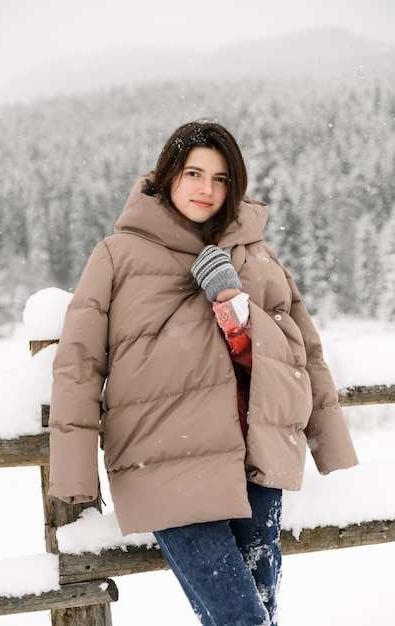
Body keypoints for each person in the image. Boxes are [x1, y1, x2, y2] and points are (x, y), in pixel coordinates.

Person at [49, 120, 359, 625]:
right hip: (165, 462)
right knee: (243, 618)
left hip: (256, 458)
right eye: (194, 172)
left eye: (220, 179)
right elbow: (79, 367)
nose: (206, 189)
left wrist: (234, 304)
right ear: (168, 174)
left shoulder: (257, 254)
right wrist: (74, 471)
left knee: (260, 611)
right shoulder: (117, 256)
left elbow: (304, 350)